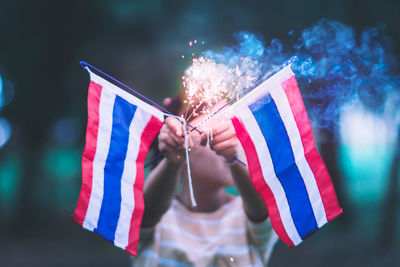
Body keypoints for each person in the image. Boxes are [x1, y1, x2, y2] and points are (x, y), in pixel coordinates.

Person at [131, 96, 278, 266]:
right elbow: (148, 212)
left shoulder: (248, 216)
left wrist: (233, 160)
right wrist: (172, 162)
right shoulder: (158, 217)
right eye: (214, 131)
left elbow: (262, 209)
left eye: (232, 130)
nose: (231, 140)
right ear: (181, 140)